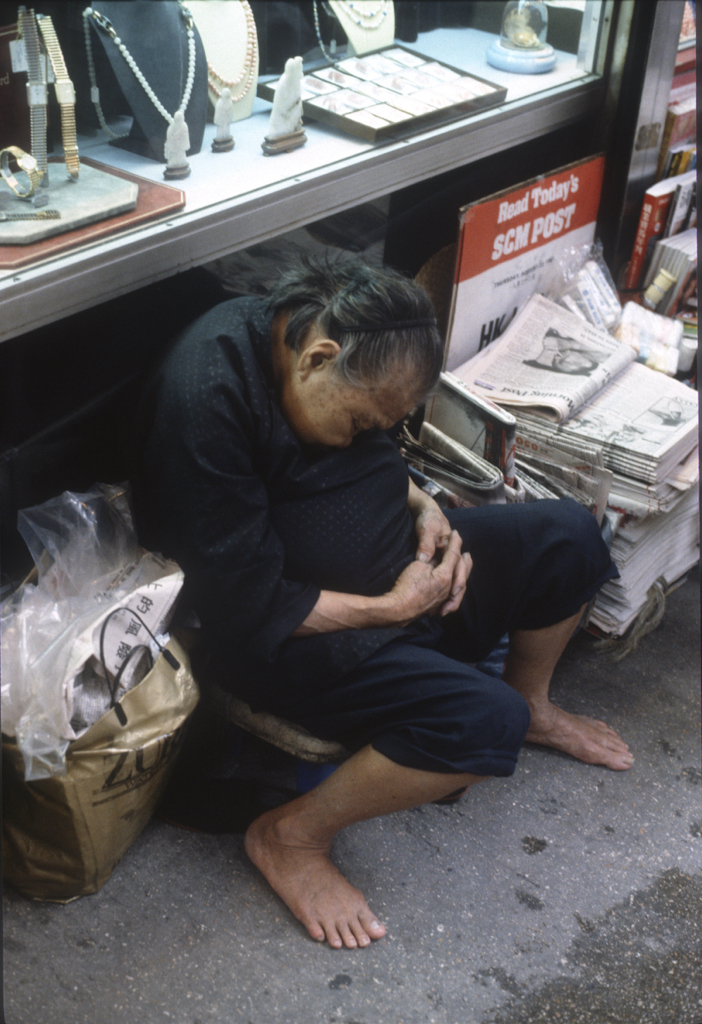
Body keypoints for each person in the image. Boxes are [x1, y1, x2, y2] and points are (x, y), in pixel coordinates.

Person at [133, 255, 632, 951]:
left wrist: (427, 507)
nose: (369, 433)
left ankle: (537, 708)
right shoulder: (208, 397)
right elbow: (247, 607)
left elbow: (379, 458)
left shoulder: (332, 345)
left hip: (403, 582)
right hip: (297, 637)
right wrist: (393, 609)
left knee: (569, 536)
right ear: (318, 358)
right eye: (360, 420)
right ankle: (291, 836)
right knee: (485, 721)